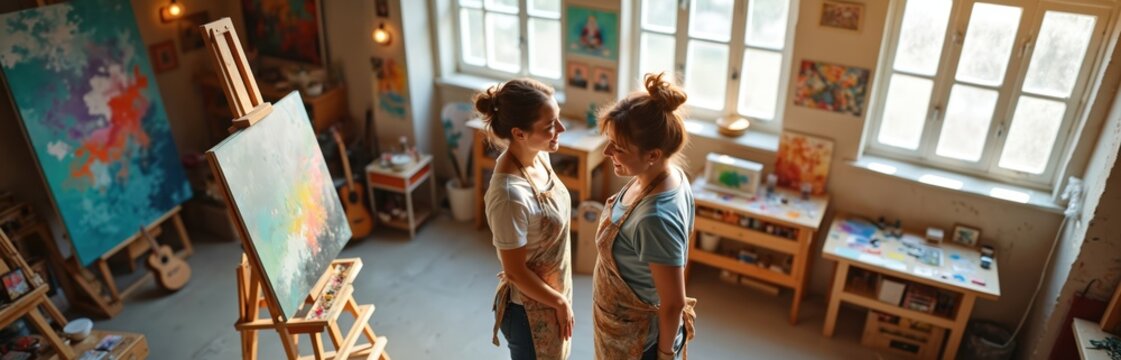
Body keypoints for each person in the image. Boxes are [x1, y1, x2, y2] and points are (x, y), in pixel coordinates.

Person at [592, 72, 697, 360]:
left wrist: (664, 355)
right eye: (609, 140)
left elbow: (673, 302)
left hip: (639, 343)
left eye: (619, 148)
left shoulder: (655, 218)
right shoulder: (665, 173)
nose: (607, 151)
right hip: (619, 328)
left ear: (652, 154)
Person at [477, 79, 573, 360]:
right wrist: (559, 302)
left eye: (558, 119)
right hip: (528, 313)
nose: (561, 130)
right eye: (550, 126)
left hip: (553, 296)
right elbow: (515, 272)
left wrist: (561, 299)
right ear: (519, 133)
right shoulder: (508, 195)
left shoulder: (539, 157)